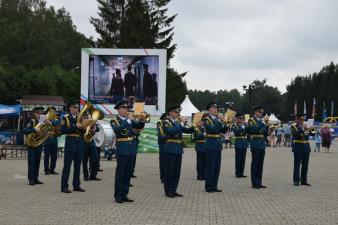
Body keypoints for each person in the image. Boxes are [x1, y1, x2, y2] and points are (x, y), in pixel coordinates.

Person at [111, 100, 143, 203]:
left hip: (131, 149)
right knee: (121, 173)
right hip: (122, 149)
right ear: (119, 110)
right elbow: (117, 130)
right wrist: (128, 121)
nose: (126, 110)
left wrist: (142, 119)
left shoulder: (130, 120)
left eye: (126, 109)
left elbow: (139, 126)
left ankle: (125, 194)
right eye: (124, 109)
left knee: (128, 173)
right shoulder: (114, 121)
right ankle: (118, 195)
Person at [162, 106, 194, 198]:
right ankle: (168, 191)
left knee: (176, 172)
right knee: (170, 171)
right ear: (170, 112)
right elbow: (170, 131)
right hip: (170, 148)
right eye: (175, 112)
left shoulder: (177, 123)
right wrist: (181, 123)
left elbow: (186, 130)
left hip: (178, 149)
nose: (177, 114)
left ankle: (174, 189)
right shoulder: (166, 121)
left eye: (177, 113)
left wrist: (195, 126)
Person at [202, 102, 227, 193]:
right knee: (210, 167)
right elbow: (212, 129)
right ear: (209, 109)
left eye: (216, 108)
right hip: (211, 144)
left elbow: (222, 131)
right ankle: (208, 186)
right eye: (213, 108)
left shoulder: (217, 120)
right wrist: (219, 121)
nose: (215, 110)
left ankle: (214, 185)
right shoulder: (206, 119)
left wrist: (226, 123)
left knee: (217, 167)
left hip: (217, 145)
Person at [60, 102, 85, 193]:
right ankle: (64, 186)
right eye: (74, 107)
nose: (76, 109)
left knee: (78, 166)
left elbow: (84, 131)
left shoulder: (81, 118)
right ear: (70, 108)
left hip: (79, 143)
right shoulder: (66, 118)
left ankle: (76, 185)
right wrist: (75, 126)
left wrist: (87, 127)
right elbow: (63, 130)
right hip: (70, 143)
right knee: (67, 166)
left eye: (77, 108)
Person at [23, 107, 46, 185]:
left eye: (41, 113)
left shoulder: (42, 123)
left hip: (39, 144)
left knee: (37, 162)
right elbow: (24, 131)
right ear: (34, 113)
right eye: (38, 113)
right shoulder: (31, 121)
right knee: (32, 162)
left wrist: (44, 133)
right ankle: (31, 179)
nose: (40, 114)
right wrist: (34, 129)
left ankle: (36, 178)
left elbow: (43, 133)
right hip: (31, 145)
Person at [247, 105, 269, 189]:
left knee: (260, 164)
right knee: (255, 163)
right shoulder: (251, 120)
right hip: (255, 143)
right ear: (256, 112)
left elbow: (265, 133)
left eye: (262, 112)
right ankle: (254, 182)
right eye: (260, 112)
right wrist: (263, 123)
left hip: (262, 144)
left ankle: (259, 182)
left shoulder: (262, 121)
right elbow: (254, 129)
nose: (261, 114)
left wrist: (268, 129)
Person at [291, 114, 311, 186]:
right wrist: (303, 130)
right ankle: (296, 180)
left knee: (305, 165)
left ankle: (304, 180)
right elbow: (295, 134)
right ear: (297, 120)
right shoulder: (294, 126)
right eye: (301, 120)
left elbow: (312, 134)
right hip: (298, 146)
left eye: (303, 120)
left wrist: (311, 128)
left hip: (306, 147)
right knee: (297, 165)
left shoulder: (306, 126)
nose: (302, 121)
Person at [43, 107, 60, 175]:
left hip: (54, 141)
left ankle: (52, 169)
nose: (54, 113)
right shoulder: (45, 120)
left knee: (54, 156)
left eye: (54, 112)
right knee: (46, 156)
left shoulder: (56, 119)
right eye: (51, 112)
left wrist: (51, 122)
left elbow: (57, 125)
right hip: (47, 140)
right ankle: (46, 170)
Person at [231, 113, 248, 178]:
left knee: (243, 159)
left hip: (244, 144)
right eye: (240, 119)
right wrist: (242, 127)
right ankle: (237, 173)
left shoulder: (244, 125)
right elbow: (236, 133)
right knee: (238, 159)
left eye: (242, 119)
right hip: (239, 144)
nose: (241, 120)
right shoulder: (234, 125)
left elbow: (247, 132)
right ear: (237, 119)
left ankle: (241, 172)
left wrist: (246, 126)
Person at [157, 113, 168, 183]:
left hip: (168, 145)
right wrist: (168, 136)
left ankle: (167, 176)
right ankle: (163, 177)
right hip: (163, 145)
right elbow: (161, 137)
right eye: (166, 118)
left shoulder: (167, 124)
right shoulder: (160, 124)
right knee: (163, 162)